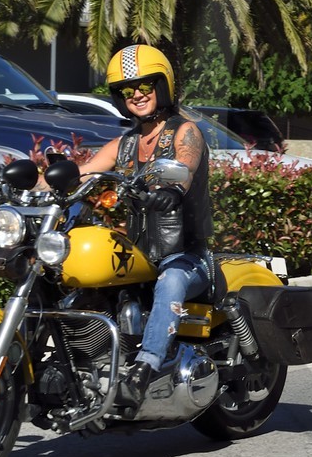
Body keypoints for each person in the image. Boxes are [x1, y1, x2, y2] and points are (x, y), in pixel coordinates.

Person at [74, 45, 212, 413]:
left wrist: (171, 189)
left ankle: (144, 370)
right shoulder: (126, 144)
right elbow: (84, 172)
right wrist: (29, 183)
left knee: (171, 280)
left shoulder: (186, 132)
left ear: (162, 85)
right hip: (139, 257)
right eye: (126, 89)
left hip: (186, 257)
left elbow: (185, 165)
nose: (136, 94)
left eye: (145, 85)